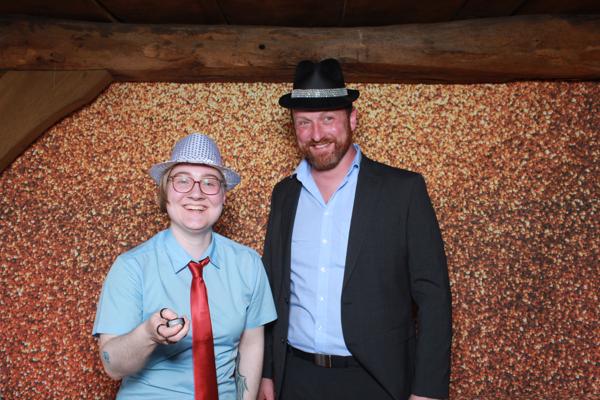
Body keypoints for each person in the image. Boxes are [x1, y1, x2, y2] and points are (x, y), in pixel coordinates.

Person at [258, 59, 452, 400]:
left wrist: (428, 390)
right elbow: (274, 288)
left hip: (376, 379)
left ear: (352, 119)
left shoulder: (402, 191)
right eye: (304, 122)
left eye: (328, 119)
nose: (316, 134)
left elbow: (433, 296)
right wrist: (268, 372)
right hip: (296, 378)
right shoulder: (284, 194)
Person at [93, 133, 277, 399]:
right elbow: (113, 367)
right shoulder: (131, 267)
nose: (196, 193)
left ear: (223, 196)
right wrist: (148, 334)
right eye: (182, 181)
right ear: (165, 192)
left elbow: (251, 346)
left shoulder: (248, 264)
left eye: (209, 182)